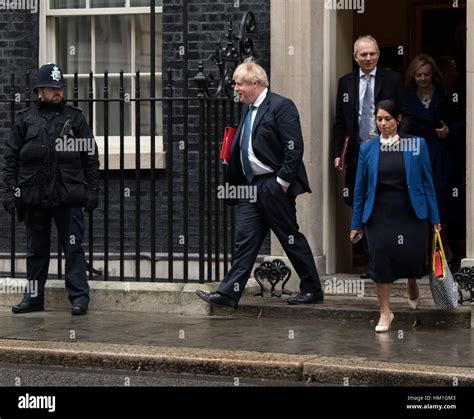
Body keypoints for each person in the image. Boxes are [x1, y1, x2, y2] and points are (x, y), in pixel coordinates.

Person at [196, 59, 323, 310]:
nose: (236, 88)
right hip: (250, 186)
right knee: (245, 239)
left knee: (289, 238)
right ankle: (229, 293)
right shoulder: (248, 109)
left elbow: (294, 147)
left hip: (273, 185)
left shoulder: (281, 106)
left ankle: (312, 288)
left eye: (239, 83)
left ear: (255, 83)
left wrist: (282, 183)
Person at [3, 63, 99, 315]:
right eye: (52, 88)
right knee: (36, 251)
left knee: (73, 248)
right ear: (40, 91)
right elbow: (11, 158)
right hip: (34, 195)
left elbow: (90, 154)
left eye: (60, 88)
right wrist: (9, 191)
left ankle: (79, 298)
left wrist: (92, 189)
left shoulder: (75, 117)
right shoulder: (25, 119)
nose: (58, 93)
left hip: (68, 194)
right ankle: (34, 298)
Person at [350, 100, 441, 333]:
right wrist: (356, 224)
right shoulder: (367, 149)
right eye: (379, 119)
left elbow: (428, 184)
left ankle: (412, 280)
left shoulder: (416, 145)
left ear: (398, 120)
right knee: (380, 261)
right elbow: (360, 189)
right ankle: (385, 312)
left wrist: (435, 219)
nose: (383, 123)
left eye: (388, 119)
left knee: (410, 257)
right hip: (378, 215)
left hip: (411, 212)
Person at [332, 35, 410, 278]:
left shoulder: (394, 80)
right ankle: (372, 264)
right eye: (363, 54)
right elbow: (339, 123)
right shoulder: (345, 83)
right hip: (358, 154)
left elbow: (406, 116)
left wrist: (397, 146)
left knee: (387, 205)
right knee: (361, 206)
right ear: (355, 57)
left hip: (387, 152)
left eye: (372, 54)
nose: (368, 58)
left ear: (378, 55)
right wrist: (338, 153)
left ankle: (392, 262)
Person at [405, 54, 465, 266]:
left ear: (433, 75)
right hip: (415, 156)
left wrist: (449, 130)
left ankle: (441, 254)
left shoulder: (447, 94)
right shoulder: (407, 97)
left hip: (441, 155)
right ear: (413, 76)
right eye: (419, 75)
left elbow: (464, 122)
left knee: (441, 205)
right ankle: (420, 258)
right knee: (417, 205)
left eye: (427, 75)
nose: (423, 79)